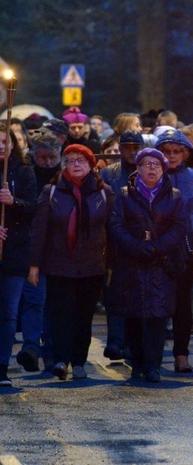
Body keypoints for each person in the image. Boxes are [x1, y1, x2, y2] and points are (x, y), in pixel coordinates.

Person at [28, 144, 114, 381]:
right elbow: (39, 230)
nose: (75, 165)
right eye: (70, 161)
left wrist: (111, 265)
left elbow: (112, 230)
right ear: (63, 165)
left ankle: (78, 361)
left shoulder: (103, 192)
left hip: (92, 264)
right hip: (59, 263)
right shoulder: (52, 191)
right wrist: (34, 265)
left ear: (91, 165)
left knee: (83, 316)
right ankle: (60, 360)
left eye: (80, 161)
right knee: (61, 314)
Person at [108, 148, 188, 383]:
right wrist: (135, 246)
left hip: (161, 264)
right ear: (138, 168)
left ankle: (153, 365)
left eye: (156, 164)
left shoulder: (174, 196)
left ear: (163, 169)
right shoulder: (124, 195)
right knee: (133, 314)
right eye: (146, 164)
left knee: (158, 315)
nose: (151, 168)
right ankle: (137, 362)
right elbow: (115, 226)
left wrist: (158, 246)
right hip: (131, 263)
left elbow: (179, 226)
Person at [155, 129, 193, 374]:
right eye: (167, 152)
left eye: (177, 152)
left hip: (186, 247)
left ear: (185, 154)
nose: (172, 156)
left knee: (184, 302)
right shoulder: (152, 174)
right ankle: (152, 353)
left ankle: (182, 354)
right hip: (159, 245)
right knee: (158, 299)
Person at [16, 132, 62, 373]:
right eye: (42, 157)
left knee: (53, 302)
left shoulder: (64, 177)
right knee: (34, 300)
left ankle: (51, 350)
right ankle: (32, 346)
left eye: (51, 157)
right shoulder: (27, 174)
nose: (46, 162)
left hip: (58, 247)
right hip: (32, 245)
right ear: (34, 155)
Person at [99, 130, 145, 361]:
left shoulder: (147, 171)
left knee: (136, 293)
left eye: (136, 147)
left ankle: (130, 342)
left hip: (139, 239)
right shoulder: (109, 173)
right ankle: (115, 340)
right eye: (127, 147)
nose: (131, 151)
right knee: (114, 292)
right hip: (114, 240)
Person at [0, 122, 37, 386]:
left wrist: (14, 202)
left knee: (9, 312)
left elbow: (33, 207)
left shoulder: (24, 172)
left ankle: (2, 365)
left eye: (5, 141)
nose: (2, 146)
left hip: (14, 251)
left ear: (13, 143)